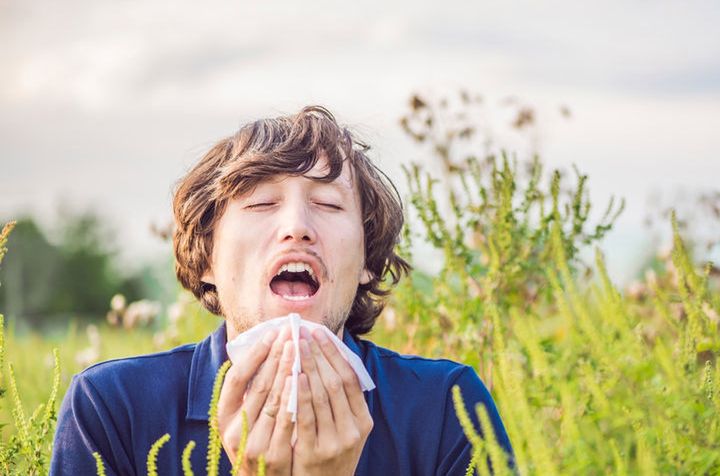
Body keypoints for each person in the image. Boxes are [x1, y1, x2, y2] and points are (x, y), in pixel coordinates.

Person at [50, 106, 513, 475]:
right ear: (208, 260)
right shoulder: (113, 407)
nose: (296, 227)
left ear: (368, 263)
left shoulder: (447, 408)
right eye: (262, 203)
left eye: (329, 204)